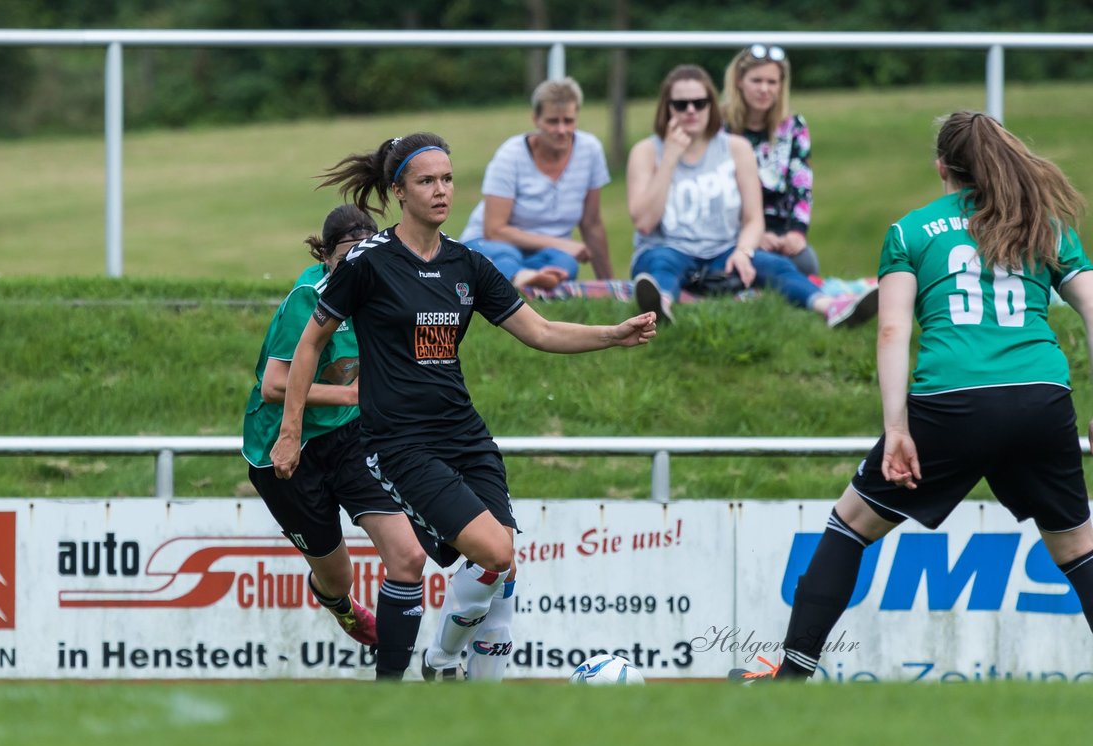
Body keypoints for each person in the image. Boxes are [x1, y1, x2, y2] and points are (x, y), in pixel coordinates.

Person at [270, 132, 656, 681]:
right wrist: (290, 433)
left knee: (503, 572)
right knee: (496, 552)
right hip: (401, 444)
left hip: (466, 438)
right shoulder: (367, 262)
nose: (441, 190)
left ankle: (480, 712)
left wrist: (611, 334)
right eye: (427, 181)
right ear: (400, 191)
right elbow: (308, 345)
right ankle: (440, 661)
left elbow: (541, 331)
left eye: (447, 179)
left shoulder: (467, 263)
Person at [731, 111, 1093, 682]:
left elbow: (892, 330)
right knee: (1078, 550)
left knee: (850, 525)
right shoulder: (1043, 224)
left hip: (952, 401)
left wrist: (897, 427)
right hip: (1040, 398)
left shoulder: (911, 230)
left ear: (942, 168)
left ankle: (793, 672)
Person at [243, 204, 430, 681]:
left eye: (362, 256)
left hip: (347, 438)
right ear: (326, 256)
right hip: (282, 449)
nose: (354, 269)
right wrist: (348, 394)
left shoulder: (382, 292)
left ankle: (392, 685)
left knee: (408, 555)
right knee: (338, 578)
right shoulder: (310, 296)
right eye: (344, 258)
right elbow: (274, 384)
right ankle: (341, 606)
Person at [627, 64, 875, 328]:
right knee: (660, 264)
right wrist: (669, 159)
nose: (691, 110)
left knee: (777, 267)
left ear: (711, 105)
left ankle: (832, 308)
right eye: (681, 104)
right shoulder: (645, 151)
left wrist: (744, 251)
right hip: (668, 248)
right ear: (667, 107)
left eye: (699, 103)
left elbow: (753, 218)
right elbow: (644, 222)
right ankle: (659, 308)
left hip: (724, 250)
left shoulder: (736, 148)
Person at [459, 77, 615, 291]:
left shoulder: (590, 150)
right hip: (491, 243)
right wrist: (560, 243)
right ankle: (521, 277)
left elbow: (592, 223)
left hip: (545, 253)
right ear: (536, 119)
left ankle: (528, 279)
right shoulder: (510, 155)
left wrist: (608, 285)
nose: (561, 130)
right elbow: (494, 230)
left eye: (568, 121)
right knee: (506, 256)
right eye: (552, 121)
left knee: (567, 262)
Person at [720, 44, 819, 278]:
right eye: (756, 81)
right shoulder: (720, 126)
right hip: (733, 230)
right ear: (739, 81)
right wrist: (753, 235)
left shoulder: (793, 126)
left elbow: (801, 185)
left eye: (772, 82)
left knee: (806, 263)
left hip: (780, 230)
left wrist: (796, 233)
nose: (764, 89)